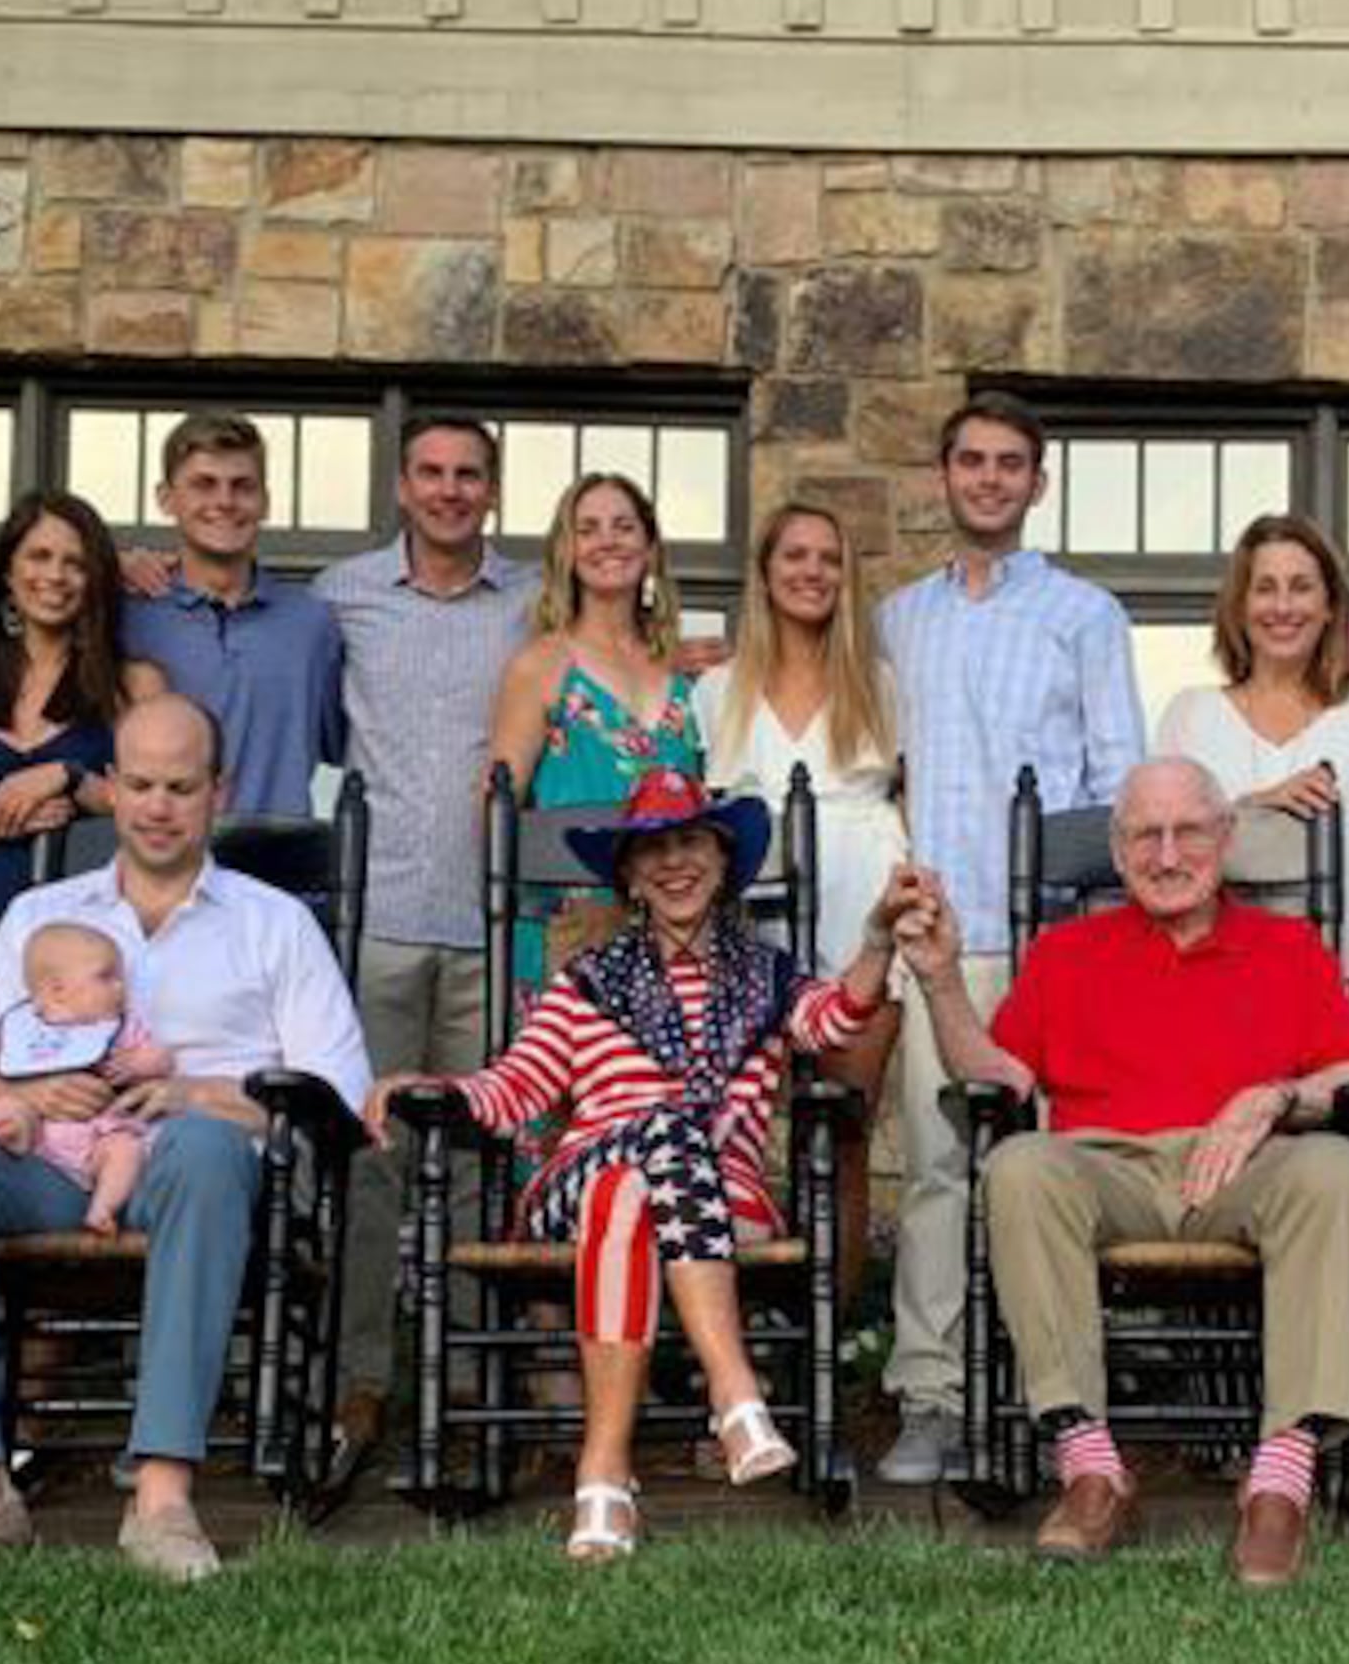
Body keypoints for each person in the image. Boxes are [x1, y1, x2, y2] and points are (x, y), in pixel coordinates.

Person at [0, 695, 373, 1584]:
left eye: (181, 786)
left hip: (195, 1166)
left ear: (218, 791)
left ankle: (163, 1498)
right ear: (110, 788)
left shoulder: (273, 923)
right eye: (138, 783)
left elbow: (338, 1094)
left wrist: (197, 1093)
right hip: (45, 1159)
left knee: (207, 1148)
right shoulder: (39, 915)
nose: (157, 805)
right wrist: (14, 1090)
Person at [362, 772, 912, 1562]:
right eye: (652, 848)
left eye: (691, 842)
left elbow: (836, 1019)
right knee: (655, 1139)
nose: (673, 862)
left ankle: (603, 1473)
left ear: (723, 860)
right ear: (627, 875)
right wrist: (435, 1087)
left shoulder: (765, 974)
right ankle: (735, 1393)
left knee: (642, 1176)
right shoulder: (587, 985)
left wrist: (880, 935)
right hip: (577, 1184)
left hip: (724, 1201)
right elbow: (515, 1088)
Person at [901, 757, 1349, 1587]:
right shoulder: (1067, 952)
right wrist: (942, 980)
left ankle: (1278, 1484)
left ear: (1225, 839)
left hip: (1243, 1168)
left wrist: (1273, 1096)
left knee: (1338, 1168)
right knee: (1018, 1163)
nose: (1167, 855)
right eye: (1143, 837)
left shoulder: (1288, 947)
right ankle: (1093, 1469)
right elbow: (1002, 1079)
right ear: (1119, 854)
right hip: (1107, 1170)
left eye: (1188, 831)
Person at [873, 390, 1146, 1484]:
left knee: (1059, 1169)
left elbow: (1119, 784)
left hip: (1054, 940)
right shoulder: (898, 621)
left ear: (1039, 484)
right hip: (939, 939)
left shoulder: (1084, 616)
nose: (988, 479)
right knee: (941, 1172)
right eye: (970, 461)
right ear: (944, 477)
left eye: (1009, 465)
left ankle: (1060, 1401)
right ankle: (932, 1396)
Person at [312, 415, 537, 1476]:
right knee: (371, 1165)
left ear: (492, 491)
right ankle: (363, 1381)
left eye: (470, 476)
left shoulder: (531, 599)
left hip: (494, 924)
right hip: (382, 924)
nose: (450, 491)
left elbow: (610, 661)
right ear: (402, 486)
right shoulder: (341, 598)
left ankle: (470, 1379)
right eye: (432, 474)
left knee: (492, 1159)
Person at [692, 500, 911, 1291]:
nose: (812, 572)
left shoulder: (881, 685)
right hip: (755, 918)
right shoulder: (717, 690)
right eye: (795, 556)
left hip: (860, 911)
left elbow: (911, 801)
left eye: (829, 558)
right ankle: (743, 1337)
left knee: (839, 1134)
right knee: (735, 1132)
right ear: (765, 571)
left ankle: (835, 1334)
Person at [1159, 512, 1349, 1056]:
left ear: (1330, 604)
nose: (1283, 607)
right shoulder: (1191, 716)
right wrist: (1253, 810)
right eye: (1265, 588)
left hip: (1337, 997)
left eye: (1302, 587)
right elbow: (1155, 842)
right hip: (1211, 995)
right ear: (1239, 607)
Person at [0, 489, 162, 1061]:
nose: (56, 575)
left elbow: (154, 808)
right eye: (39, 557)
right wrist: (5, 824)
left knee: (80, 1109)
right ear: (8, 570)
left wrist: (68, 776)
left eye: (75, 562)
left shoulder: (133, 686)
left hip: (90, 935)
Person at [485, 471, 701, 990]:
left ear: (649, 548)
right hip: (571, 932)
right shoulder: (541, 665)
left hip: (674, 931)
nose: (608, 540)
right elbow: (494, 807)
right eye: (588, 529)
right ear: (567, 551)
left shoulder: (680, 673)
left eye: (624, 526)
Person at [116, 410, 343, 821]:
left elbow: (352, 747)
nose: (224, 501)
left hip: (279, 874)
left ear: (266, 501)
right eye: (204, 484)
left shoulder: (313, 625)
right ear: (166, 499)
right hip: (157, 872)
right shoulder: (125, 616)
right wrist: (109, 564)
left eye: (242, 487)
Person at [0, 921, 173, 1237]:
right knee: (6, 1102)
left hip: (97, 1134)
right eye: (106, 977)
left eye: (121, 979)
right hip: (37, 1145)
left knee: (127, 1148)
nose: (120, 987)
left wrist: (139, 1065)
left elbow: (161, 1057)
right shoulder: (17, 1026)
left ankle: (103, 1208)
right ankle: (9, 1134)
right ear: (57, 989)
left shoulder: (120, 1027)